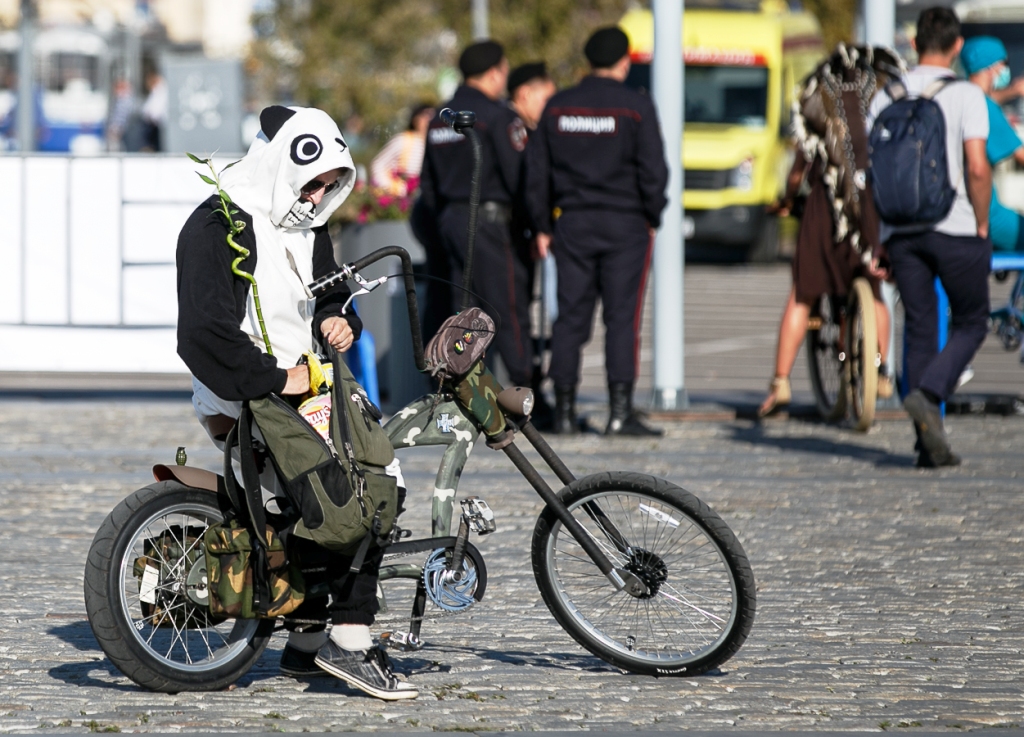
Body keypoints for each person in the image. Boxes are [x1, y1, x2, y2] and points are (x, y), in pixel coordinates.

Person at [176, 105, 418, 699]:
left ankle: (306, 644)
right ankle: (350, 640)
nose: (318, 197)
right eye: (313, 182)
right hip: (249, 396)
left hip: (301, 387)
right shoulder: (219, 224)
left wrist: (341, 322)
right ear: (283, 162)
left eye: (331, 187)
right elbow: (202, 335)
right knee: (369, 486)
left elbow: (331, 296)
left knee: (334, 494)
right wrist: (275, 379)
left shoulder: (309, 228)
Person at [526, 26, 668, 436]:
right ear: (624, 61)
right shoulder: (636, 106)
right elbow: (653, 171)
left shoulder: (558, 106)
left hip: (572, 223)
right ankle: (620, 413)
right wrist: (652, 216)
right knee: (622, 319)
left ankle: (566, 412)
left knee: (569, 317)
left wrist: (543, 224)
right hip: (626, 225)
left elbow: (539, 174)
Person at [869, 7, 992, 468]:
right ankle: (929, 393)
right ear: (957, 45)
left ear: (916, 42)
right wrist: (980, 223)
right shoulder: (965, 95)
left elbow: (871, 177)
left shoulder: (887, 96)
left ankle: (927, 445)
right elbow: (977, 166)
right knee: (971, 321)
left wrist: (881, 235)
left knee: (919, 326)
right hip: (956, 225)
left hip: (901, 229)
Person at [757, 45, 898, 419]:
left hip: (827, 208)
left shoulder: (819, 100)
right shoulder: (878, 95)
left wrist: (787, 200)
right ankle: (881, 372)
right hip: (869, 207)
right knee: (874, 288)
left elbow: (797, 170)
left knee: (803, 295)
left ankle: (780, 383)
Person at [419, 40, 535, 390]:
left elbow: (428, 184)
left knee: (460, 310)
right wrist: (536, 225)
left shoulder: (441, 117)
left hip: (450, 222)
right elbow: (522, 177)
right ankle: (527, 390)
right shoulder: (499, 116)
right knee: (507, 309)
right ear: (495, 72)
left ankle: (456, 387)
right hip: (492, 223)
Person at [508, 61, 558, 427]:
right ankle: (527, 399)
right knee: (517, 318)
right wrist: (538, 227)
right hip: (513, 235)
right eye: (546, 98)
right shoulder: (517, 130)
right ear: (524, 94)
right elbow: (527, 188)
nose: (550, 106)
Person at [961, 36, 1024, 253]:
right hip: (985, 211)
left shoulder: (961, 97)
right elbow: (1021, 155)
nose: (1005, 70)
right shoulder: (984, 106)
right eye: (1003, 64)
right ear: (992, 67)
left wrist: (1013, 92)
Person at [370, 102, 434, 196]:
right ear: (415, 119)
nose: (429, 120)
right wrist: (394, 187)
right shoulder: (403, 140)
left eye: (433, 115)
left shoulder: (437, 144)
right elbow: (378, 165)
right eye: (426, 115)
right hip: (400, 200)